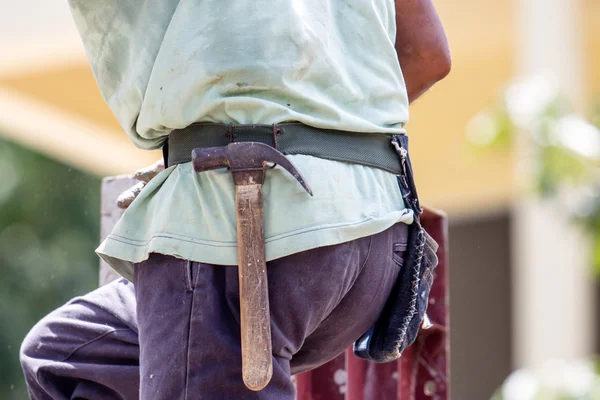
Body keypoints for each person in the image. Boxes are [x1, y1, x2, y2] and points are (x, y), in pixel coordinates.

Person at [20, 0, 450, 398]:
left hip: (248, 222)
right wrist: (317, 129)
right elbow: (427, 53)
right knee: (69, 356)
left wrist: (244, 131)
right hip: (375, 236)